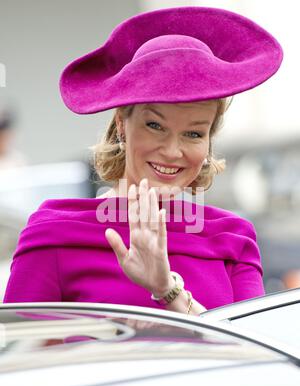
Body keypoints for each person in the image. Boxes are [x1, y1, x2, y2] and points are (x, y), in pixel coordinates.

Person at [3, 6, 283, 315]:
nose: (173, 151)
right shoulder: (55, 235)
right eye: (155, 126)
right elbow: (20, 358)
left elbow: (253, 356)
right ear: (123, 124)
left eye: (193, 134)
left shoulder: (232, 238)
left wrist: (167, 290)